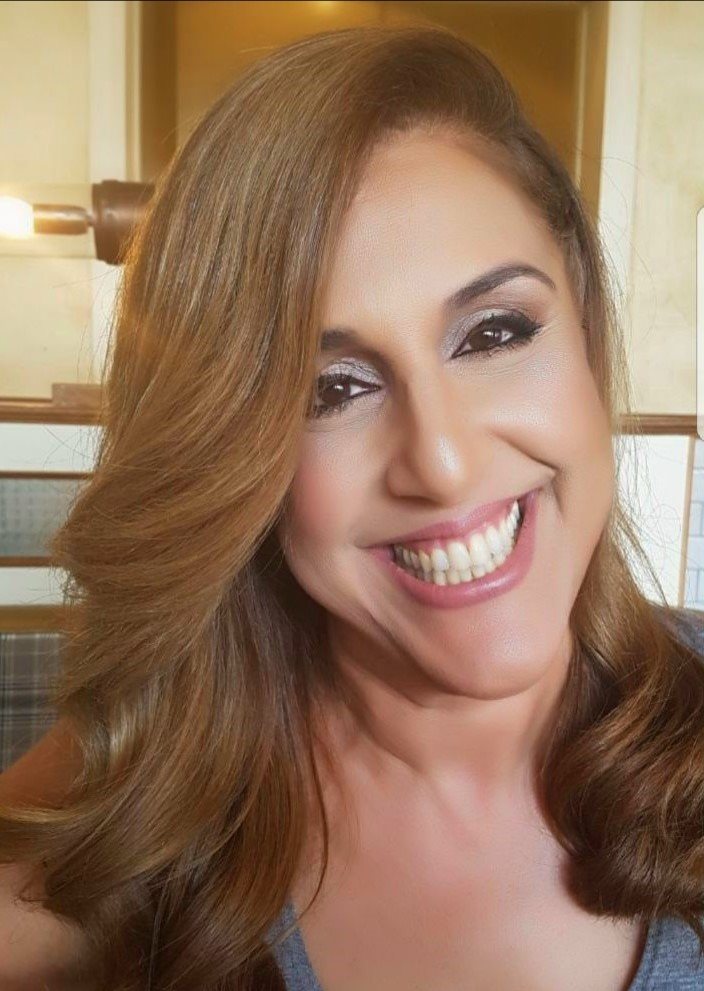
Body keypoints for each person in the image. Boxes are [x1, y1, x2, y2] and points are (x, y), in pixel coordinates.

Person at [1, 23, 704, 991]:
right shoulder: (135, 807)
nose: (443, 463)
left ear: (583, 324)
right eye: (329, 389)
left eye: (493, 333)